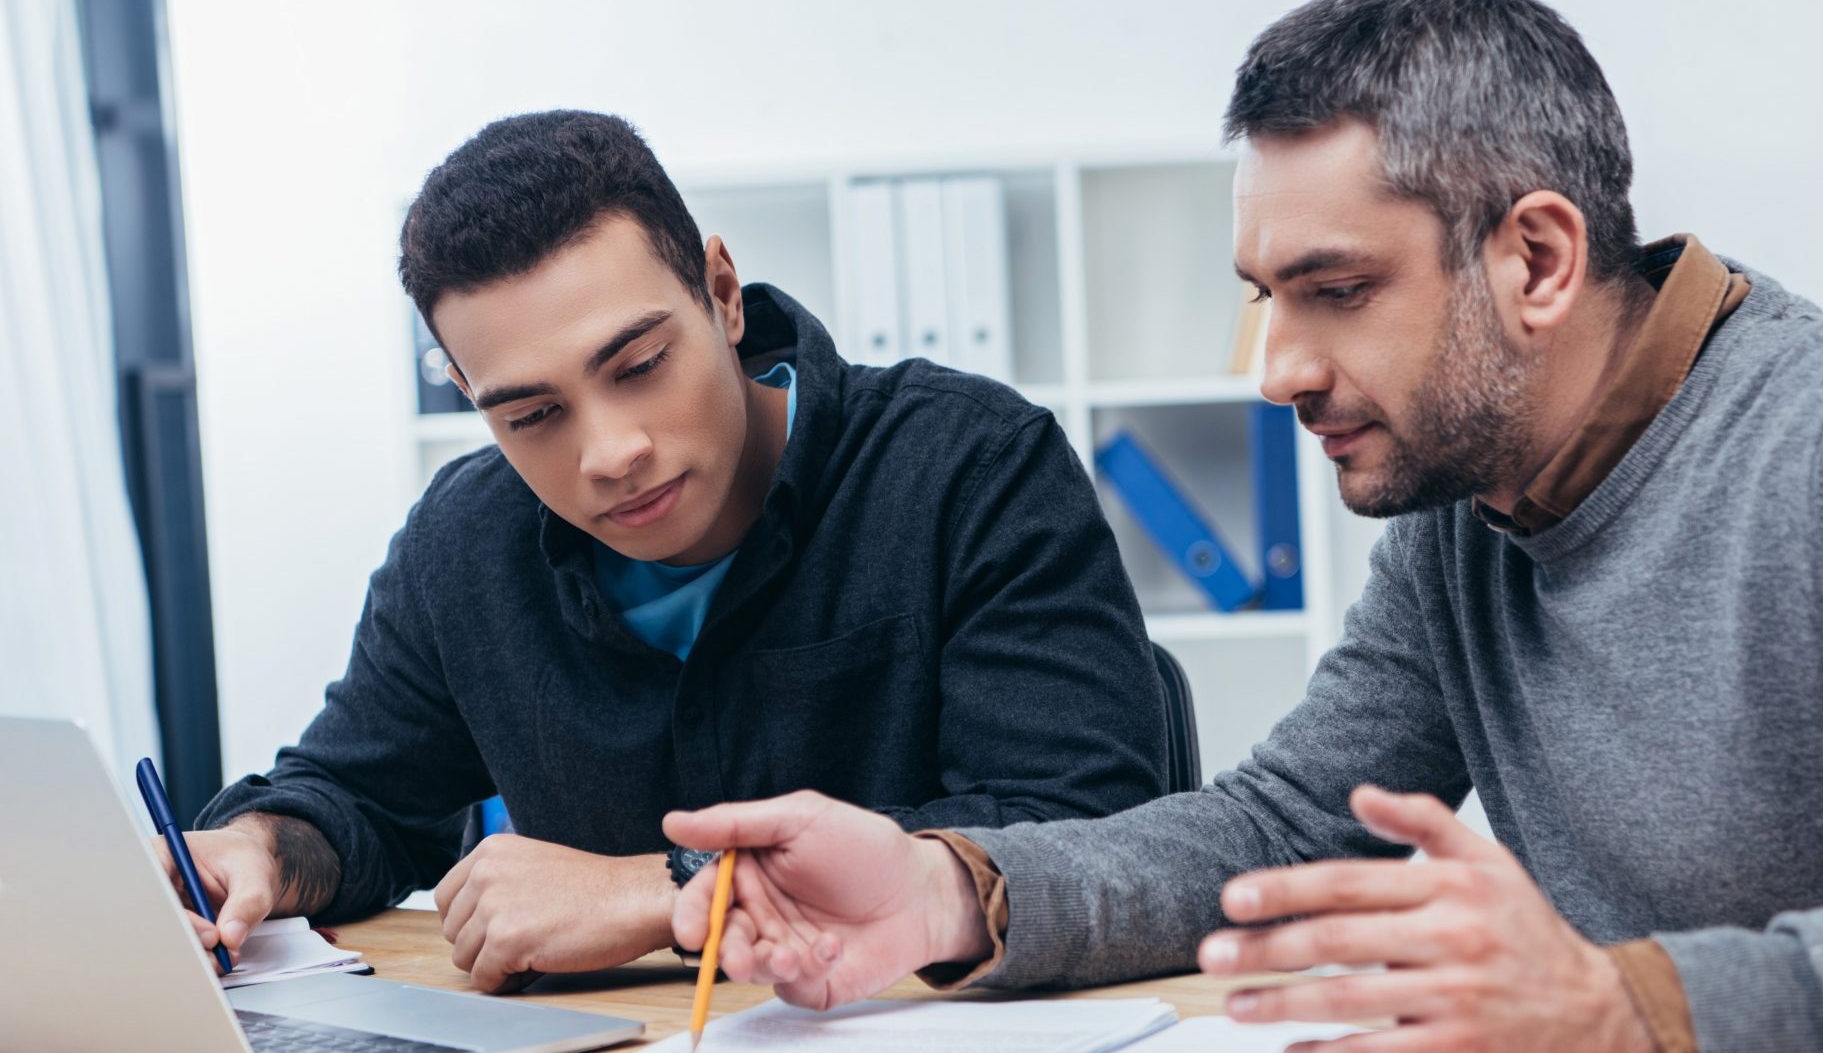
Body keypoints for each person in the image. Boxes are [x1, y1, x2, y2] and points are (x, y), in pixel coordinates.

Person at [658, 0, 1823, 1052]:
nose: (1277, 370)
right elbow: (1289, 823)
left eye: (1336, 290)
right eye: (1264, 295)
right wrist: (945, 888)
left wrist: (1633, 1006)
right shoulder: (1470, 493)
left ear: (1536, 258)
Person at [154, 110, 1169, 992]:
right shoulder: (464, 542)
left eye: (637, 366)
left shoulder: (968, 466)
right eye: (530, 414)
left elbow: (1077, 837)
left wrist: (660, 891)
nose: (610, 454)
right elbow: (360, 799)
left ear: (721, 294)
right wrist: (259, 850)